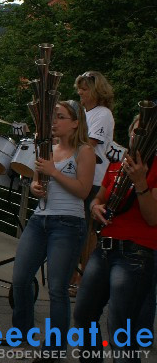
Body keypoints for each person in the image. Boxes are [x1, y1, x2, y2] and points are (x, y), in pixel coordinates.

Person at [12, 100, 95, 359]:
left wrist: (54, 173)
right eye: (53, 116)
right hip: (40, 219)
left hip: (68, 224)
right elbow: (38, 183)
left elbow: (83, 191)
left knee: (58, 288)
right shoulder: (47, 149)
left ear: (75, 123)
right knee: (20, 278)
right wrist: (36, 186)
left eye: (60, 117)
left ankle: (55, 347)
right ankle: (22, 331)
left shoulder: (85, 151)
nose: (54, 121)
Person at [74, 115, 157, 363]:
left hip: (137, 253)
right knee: (83, 314)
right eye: (135, 129)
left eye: (145, 130)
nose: (137, 134)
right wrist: (95, 208)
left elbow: (153, 218)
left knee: (120, 326)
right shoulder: (116, 165)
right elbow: (99, 199)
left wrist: (141, 182)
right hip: (106, 247)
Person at [74, 70, 115, 289]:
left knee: (87, 230)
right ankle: (73, 274)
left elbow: (89, 143)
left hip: (94, 178)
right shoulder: (85, 112)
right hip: (81, 175)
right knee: (78, 227)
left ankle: (84, 277)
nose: (80, 92)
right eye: (79, 88)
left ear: (96, 91)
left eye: (84, 88)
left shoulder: (103, 114)